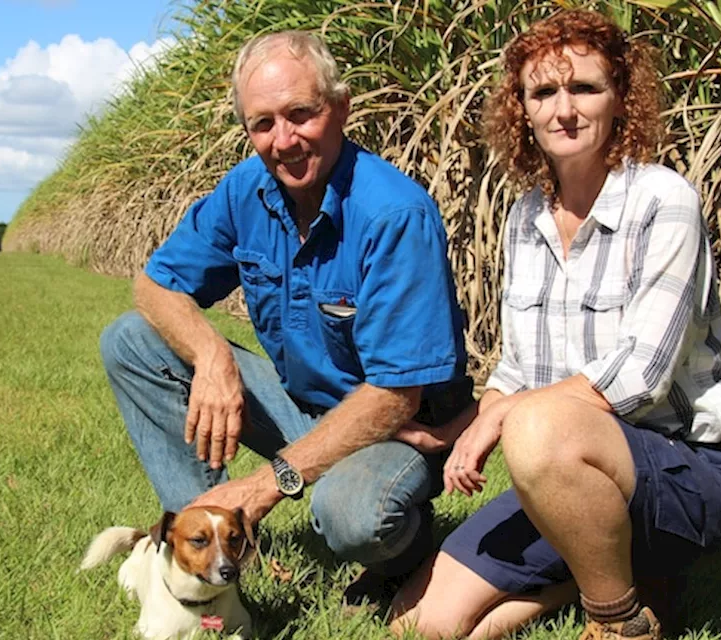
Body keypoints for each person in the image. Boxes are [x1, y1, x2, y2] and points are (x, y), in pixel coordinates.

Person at [386, 9, 721, 640]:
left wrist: (510, 419)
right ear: (520, 110)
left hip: (685, 472)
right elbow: (519, 369)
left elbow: (641, 380)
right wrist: (480, 422)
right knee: (427, 627)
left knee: (537, 425)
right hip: (564, 467)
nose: (564, 110)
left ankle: (621, 628)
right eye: (542, 94)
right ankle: (623, 577)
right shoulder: (525, 218)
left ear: (622, 97)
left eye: (585, 88)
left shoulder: (663, 201)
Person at [99, 30, 472, 602]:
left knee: (354, 517)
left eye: (302, 114)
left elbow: (396, 397)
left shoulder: (394, 214)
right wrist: (212, 356)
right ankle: (214, 540)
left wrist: (270, 483)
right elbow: (154, 285)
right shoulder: (246, 190)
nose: (285, 140)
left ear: (341, 109)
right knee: (130, 341)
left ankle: (412, 551)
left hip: (392, 427)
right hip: (299, 403)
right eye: (263, 123)